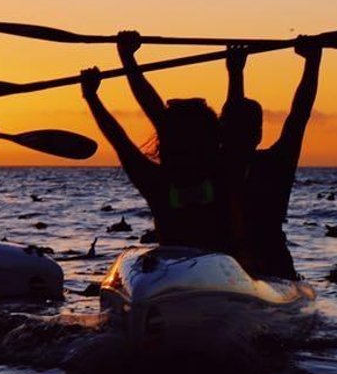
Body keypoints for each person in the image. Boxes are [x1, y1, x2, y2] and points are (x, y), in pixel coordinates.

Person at [79, 31, 232, 252]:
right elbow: (151, 120)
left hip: (198, 272)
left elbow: (121, 138)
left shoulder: (157, 183)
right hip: (214, 271)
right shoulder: (222, 172)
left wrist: (93, 95)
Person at [219, 40, 323, 280]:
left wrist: (235, 73)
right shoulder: (228, 163)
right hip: (233, 264)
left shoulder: (273, 162)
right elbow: (298, 114)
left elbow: (300, 113)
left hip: (270, 264)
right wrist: (312, 61)